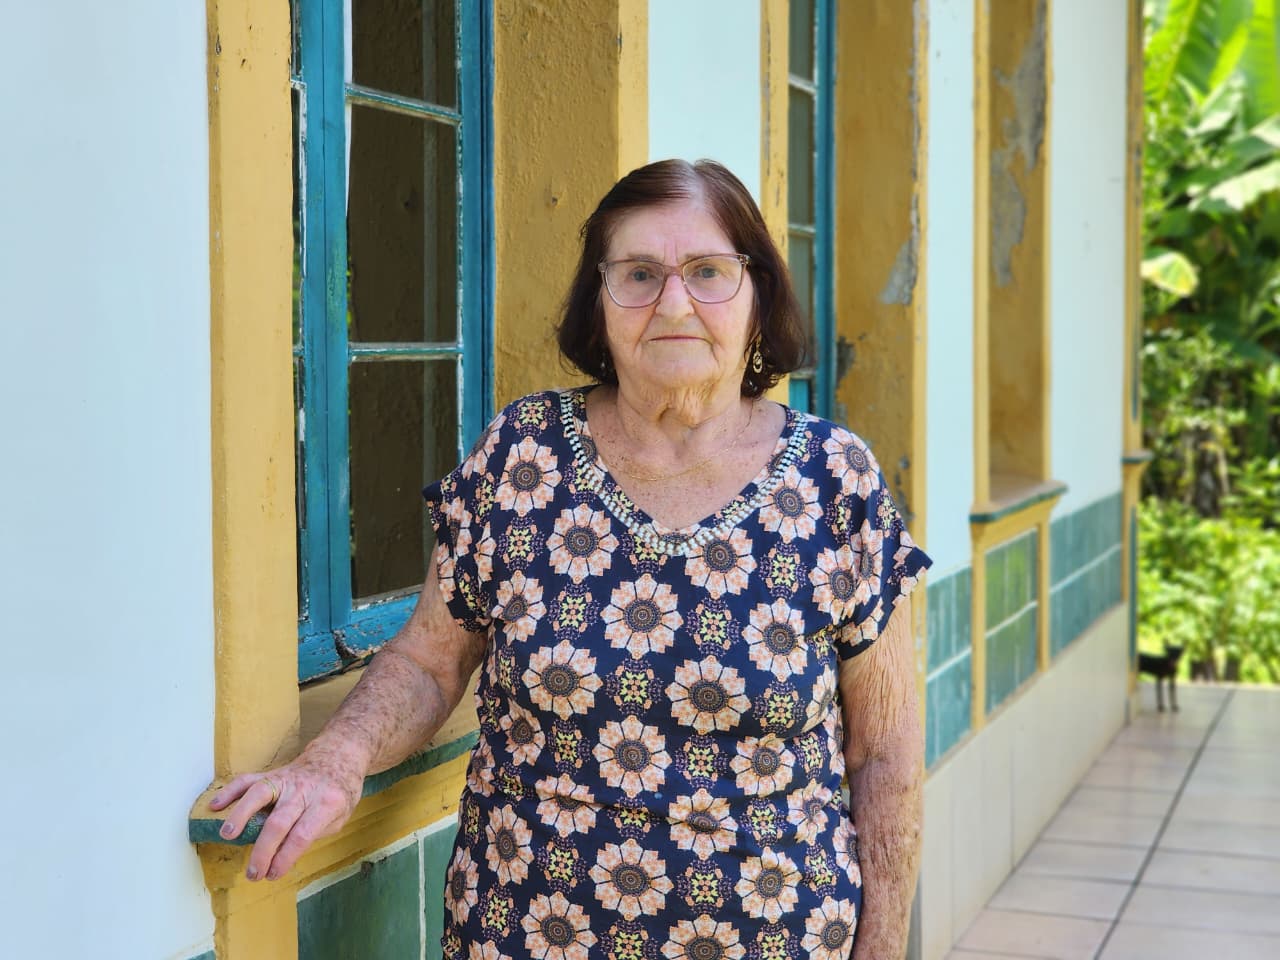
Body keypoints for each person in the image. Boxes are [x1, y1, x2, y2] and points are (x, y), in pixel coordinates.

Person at [211, 159, 931, 960]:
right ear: (601, 300)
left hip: (775, 936)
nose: (673, 302)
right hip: (525, 931)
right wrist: (334, 760)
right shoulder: (521, 456)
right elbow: (428, 662)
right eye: (639, 274)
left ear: (758, 295)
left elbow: (885, 748)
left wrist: (885, 945)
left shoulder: (837, 480)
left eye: (708, 272)